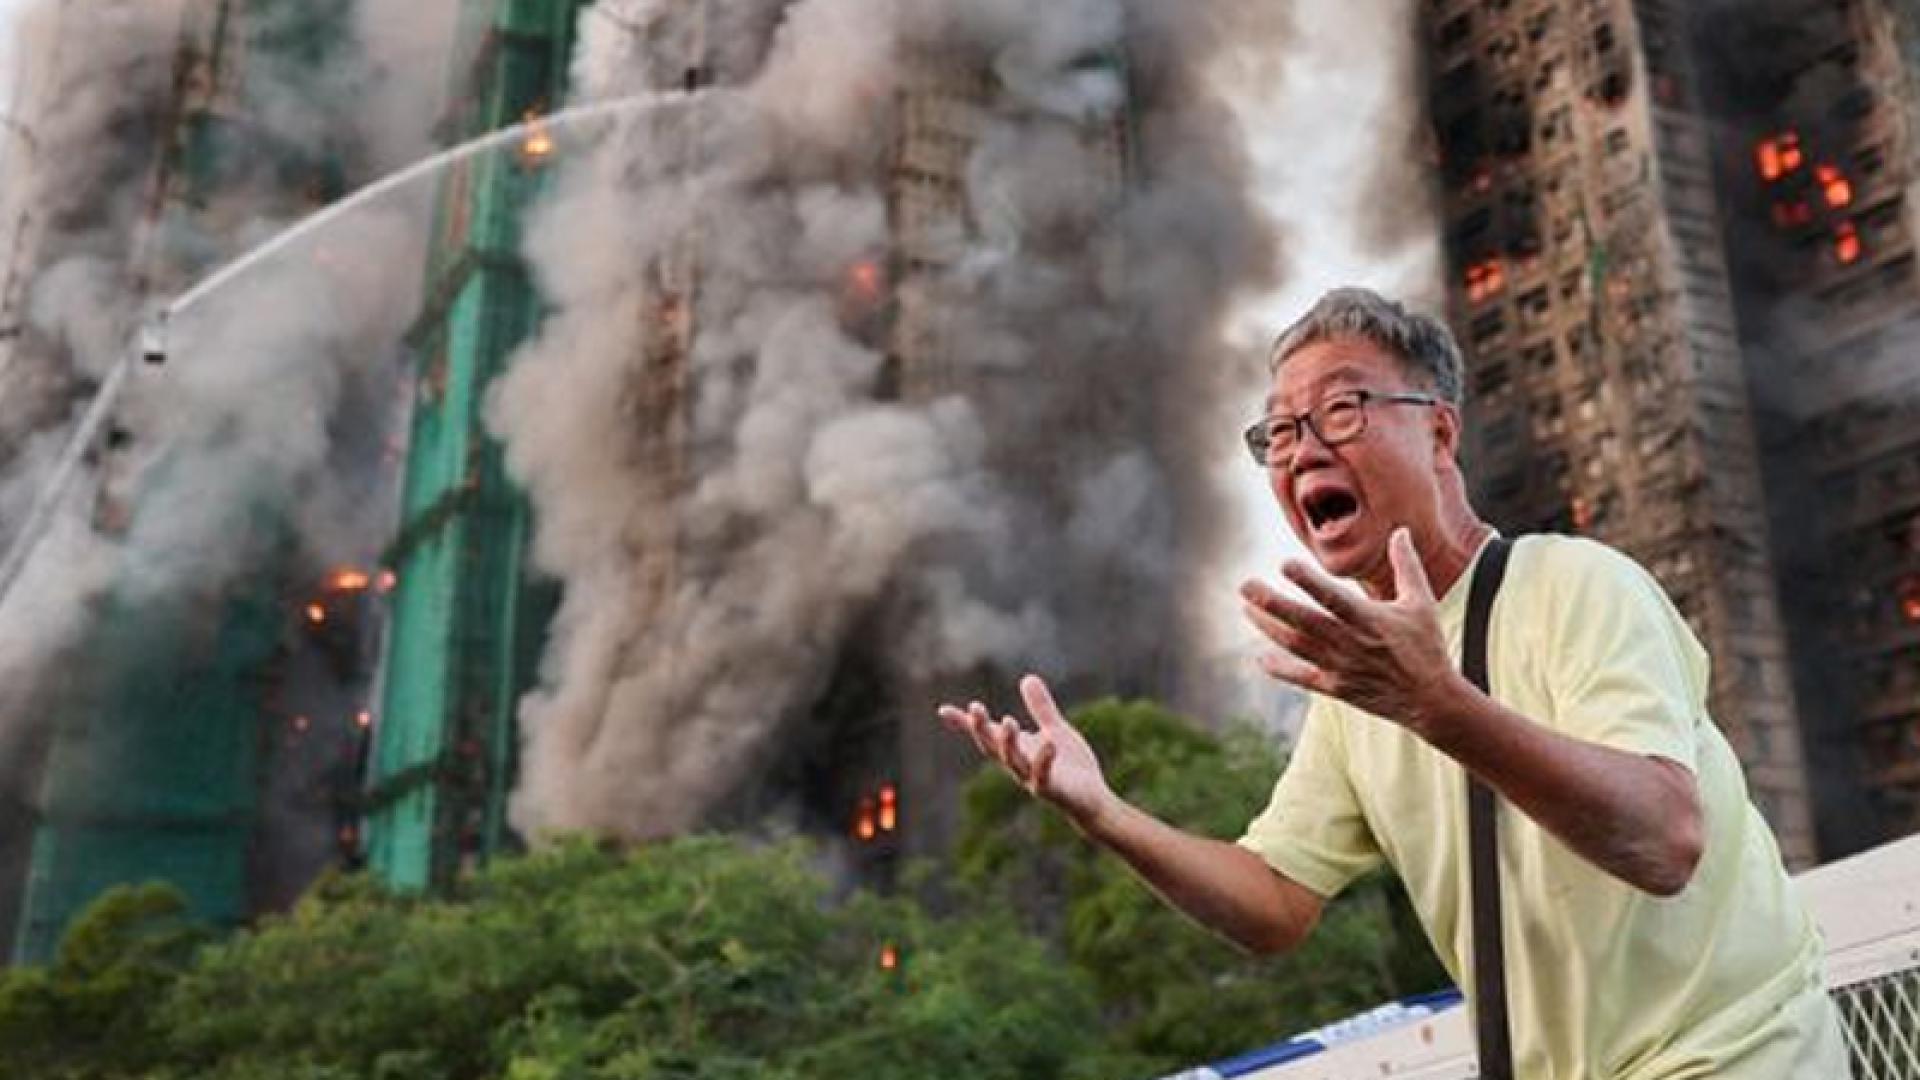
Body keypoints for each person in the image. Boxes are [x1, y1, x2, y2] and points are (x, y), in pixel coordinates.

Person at [937, 288, 1851, 1078]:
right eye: (1281, 432)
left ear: (1440, 430)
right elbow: (1273, 904)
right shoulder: (1358, 689)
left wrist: (1438, 705)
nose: (1302, 451)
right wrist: (1105, 813)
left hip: (1734, 1056)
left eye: (1341, 411)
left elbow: (1663, 839)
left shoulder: (1576, 584)